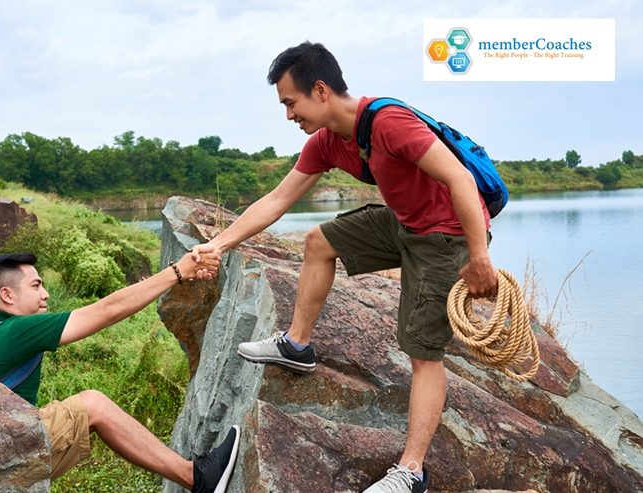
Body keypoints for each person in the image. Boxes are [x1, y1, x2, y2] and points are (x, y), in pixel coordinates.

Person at [191, 42, 498, 493]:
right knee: (319, 242)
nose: (289, 115)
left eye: (291, 103)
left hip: (446, 235)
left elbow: (460, 178)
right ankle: (297, 345)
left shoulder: (390, 123)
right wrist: (217, 244)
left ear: (320, 90)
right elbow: (277, 200)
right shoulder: (328, 142)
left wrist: (478, 257)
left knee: (422, 352)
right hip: (405, 224)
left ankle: (411, 472)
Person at [0, 250, 239, 493]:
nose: (46, 294)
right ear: (7, 295)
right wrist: (177, 272)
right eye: (36, 286)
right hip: (0, 459)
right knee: (92, 406)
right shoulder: (15, 331)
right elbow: (108, 310)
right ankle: (198, 478)